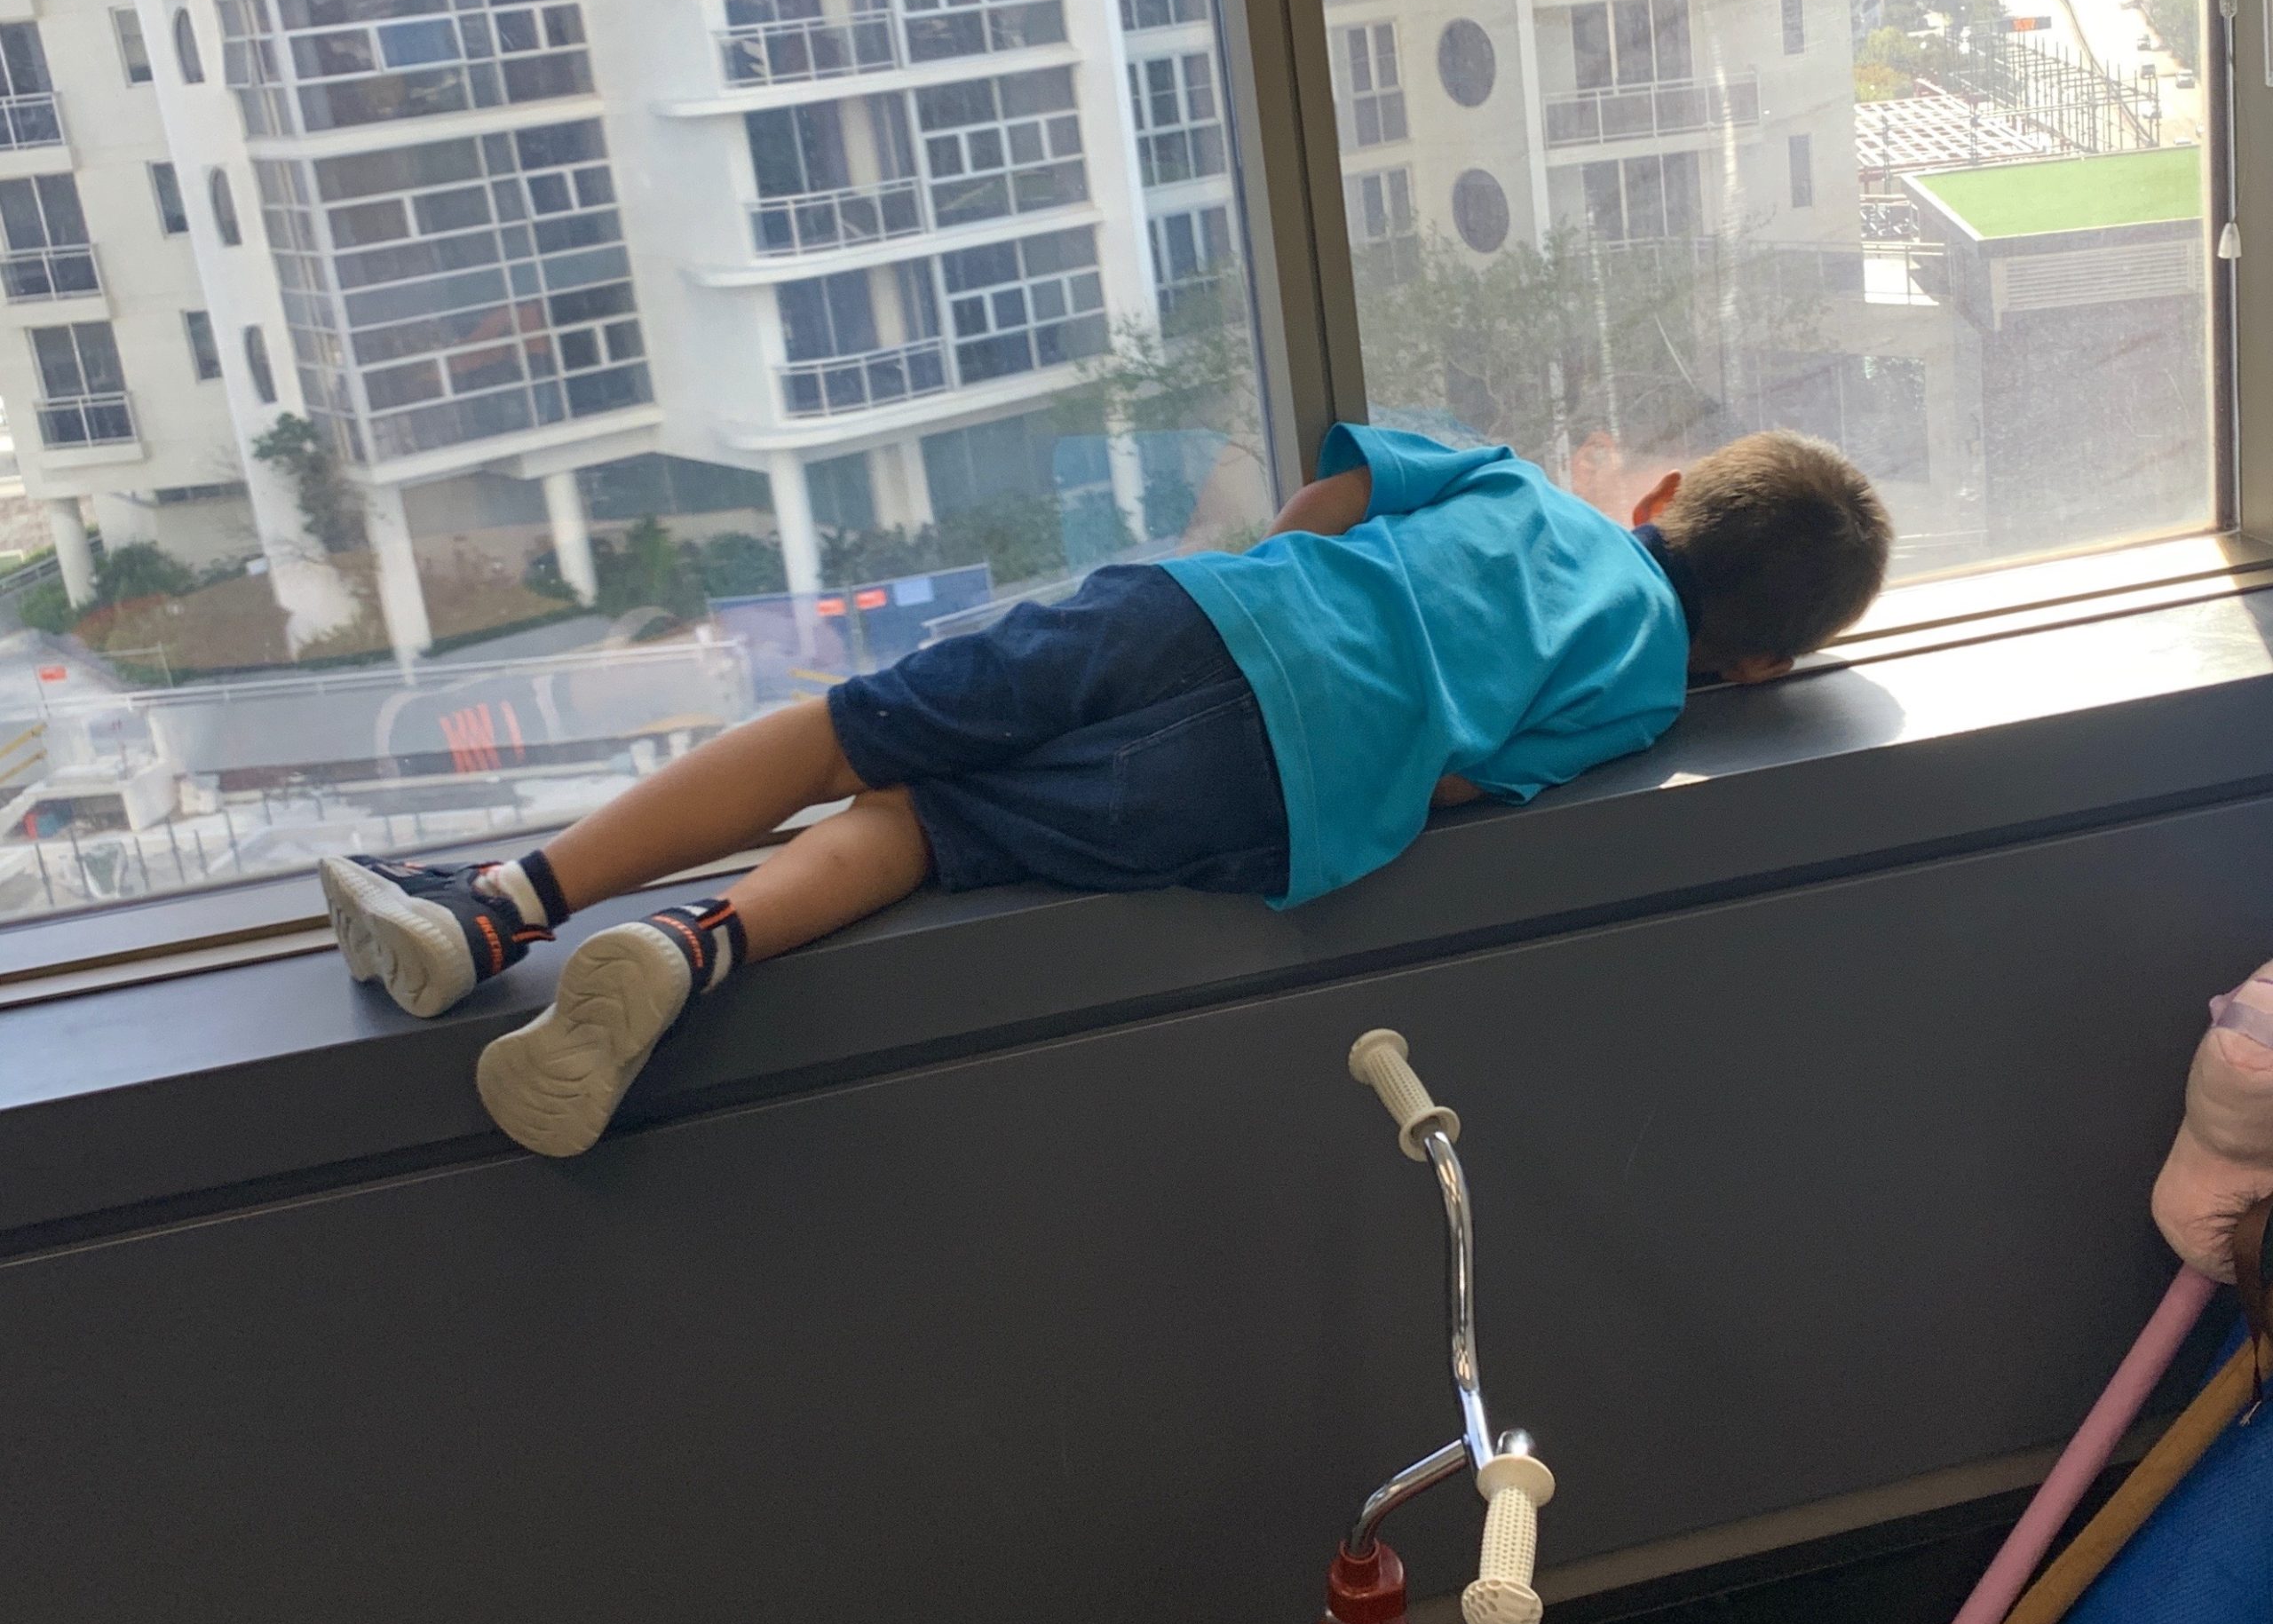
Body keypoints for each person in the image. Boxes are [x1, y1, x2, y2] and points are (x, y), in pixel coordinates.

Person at [321, 424, 1891, 1158]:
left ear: (1665, 491)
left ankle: (502, 911)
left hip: (1210, 616)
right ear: (1754, 669)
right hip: (1269, 789)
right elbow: (1480, 782)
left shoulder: (1523, 486)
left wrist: (1280, 566)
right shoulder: (1631, 699)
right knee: (928, 833)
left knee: (847, 735)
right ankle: (688, 953)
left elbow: (1341, 488)